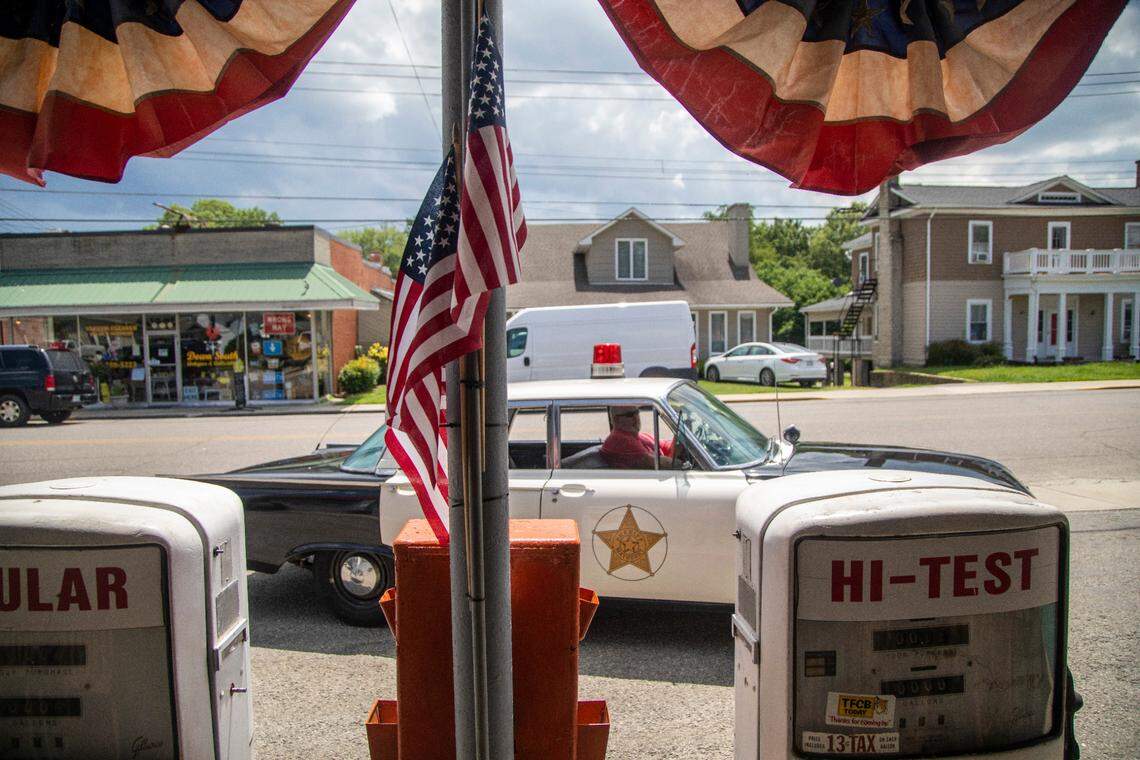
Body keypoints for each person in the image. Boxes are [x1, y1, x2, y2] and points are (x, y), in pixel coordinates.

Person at [600, 406, 674, 469]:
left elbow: (665, 445)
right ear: (616, 420)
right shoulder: (620, 440)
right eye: (630, 415)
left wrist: (677, 442)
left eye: (637, 412)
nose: (636, 418)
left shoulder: (637, 435)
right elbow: (661, 464)